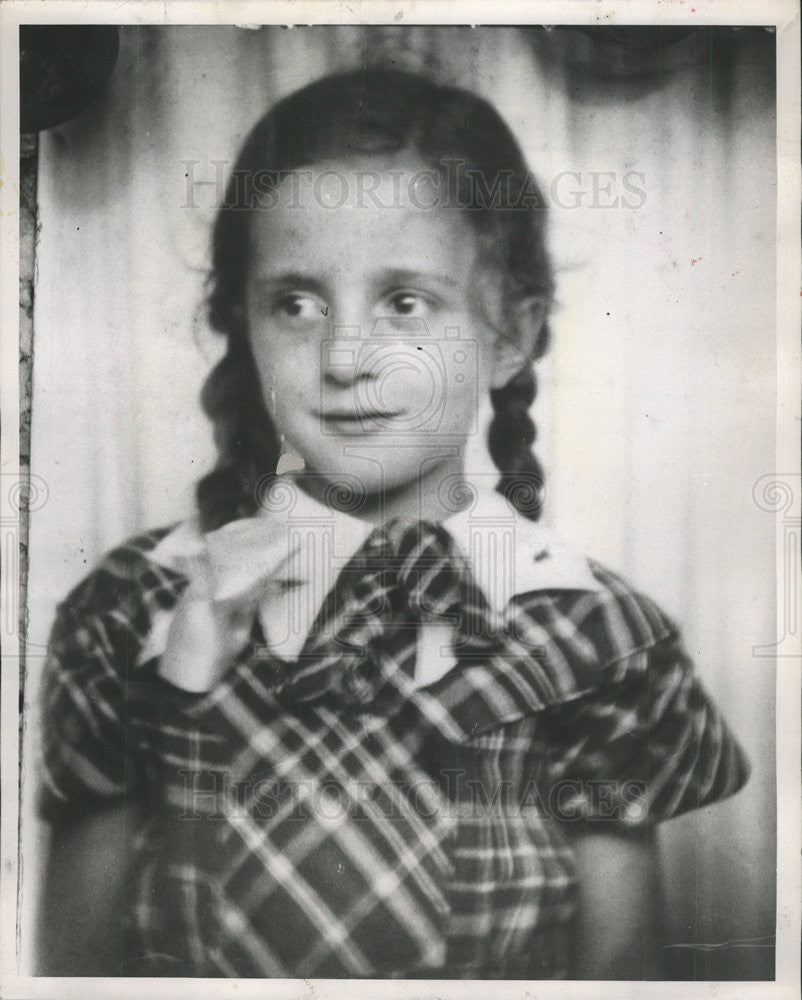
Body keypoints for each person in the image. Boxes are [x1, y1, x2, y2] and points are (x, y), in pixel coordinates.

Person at [37, 68, 749, 979]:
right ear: (243, 325)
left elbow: (622, 975)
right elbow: (71, 970)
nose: (342, 357)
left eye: (405, 303)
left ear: (510, 336)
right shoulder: (129, 608)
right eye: (295, 303)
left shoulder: (593, 634)